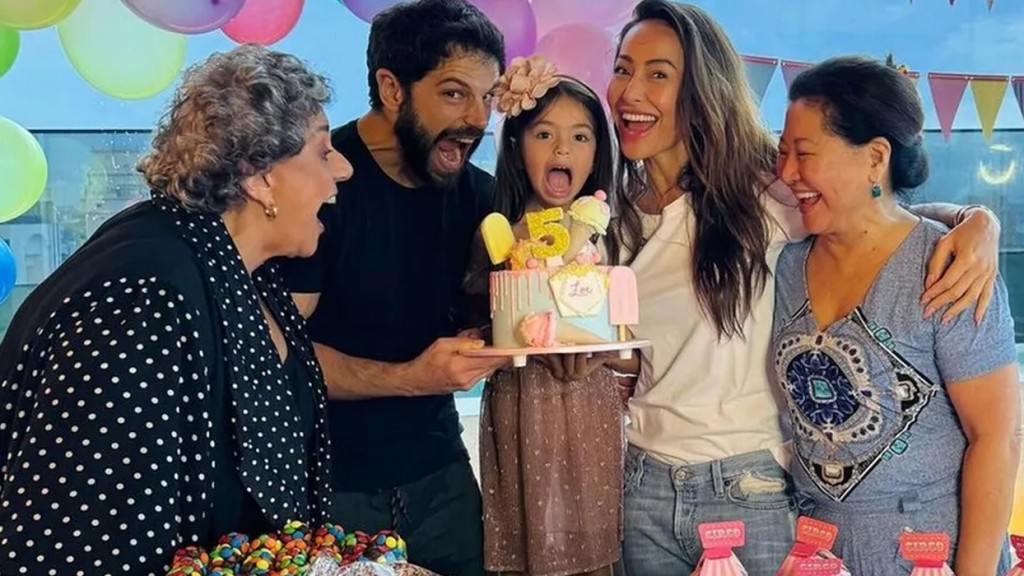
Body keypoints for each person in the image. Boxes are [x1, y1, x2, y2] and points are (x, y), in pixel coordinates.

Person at [603, 1, 1004, 574]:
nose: (631, 90)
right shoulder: (617, 220)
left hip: (772, 493)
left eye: (658, 73)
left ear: (701, 90)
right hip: (669, 488)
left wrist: (976, 221)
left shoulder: (765, 199)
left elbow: (874, 212)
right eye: (622, 68)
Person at [0, 44, 352, 575]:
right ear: (259, 176)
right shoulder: (143, 296)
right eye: (323, 152)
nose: (343, 169)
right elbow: (79, 548)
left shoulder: (246, 272)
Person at [278, 1, 508, 574]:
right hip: (330, 486)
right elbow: (279, 351)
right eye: (454, 93)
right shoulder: (322, 187)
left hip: (442, 477)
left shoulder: (480, 197)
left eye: (488, 97)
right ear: (391, 88)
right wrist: (411, 378)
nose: (477, 118)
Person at [773, 55, 1020, 576]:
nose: (787, 173)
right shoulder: (788, 264)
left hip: (930, 553)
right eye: (783, 152)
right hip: (818, 549)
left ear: (875, 157)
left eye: (805, 153)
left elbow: (996, 438)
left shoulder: (949, 267)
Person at [464, 56, 634, 576]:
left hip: (589, 409)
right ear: (517, 147)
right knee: (525, 547)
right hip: (520, 406)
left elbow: (629, 349)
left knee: (591, 552)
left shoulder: (611, 236)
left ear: (597, 152)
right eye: (544, 134)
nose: (563, 150)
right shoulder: (498, 235)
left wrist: (604, 356)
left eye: (581, 137)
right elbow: (482, 329)